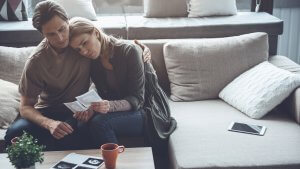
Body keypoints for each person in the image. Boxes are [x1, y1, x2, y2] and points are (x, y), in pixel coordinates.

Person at [4, 1, 150, 150]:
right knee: (14, 133)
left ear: (68, 21)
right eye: (51, 34)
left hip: (76, 112)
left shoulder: (79, 44)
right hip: (48, 111)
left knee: (84, 129)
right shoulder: (36, 61)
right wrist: (49, 124)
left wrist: (141, 47)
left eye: (62, 29)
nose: (60, 38)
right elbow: (25, 107)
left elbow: (107, 44)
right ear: (42, 34)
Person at [68, 17, 146, 146]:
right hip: (111, 108)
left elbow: (137, 99)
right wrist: (90, 109)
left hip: (139, 110)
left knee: (100, 123)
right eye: (78, 49)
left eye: (85, 43)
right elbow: (98, 89)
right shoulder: (92, 60)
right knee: (81, 124)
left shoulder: (129, 51)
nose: (84, 51)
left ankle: (114, 164)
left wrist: (109, 106)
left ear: (96, 33)